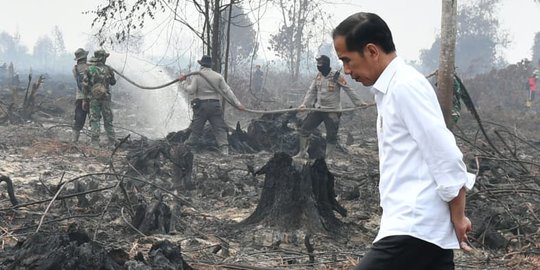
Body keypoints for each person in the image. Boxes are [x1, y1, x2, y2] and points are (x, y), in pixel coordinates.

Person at [332, 12, 476, 270]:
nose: (347, 70)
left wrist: (458, 215)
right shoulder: (389, 90)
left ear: (372, 51)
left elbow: (445, 154)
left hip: (414, 227)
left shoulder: (405, 87)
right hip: (417, 230)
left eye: (347, 60)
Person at [294, 55, 365, 160]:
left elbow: (348, 89)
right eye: (317, 64)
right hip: (318, 109)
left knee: (331, 135)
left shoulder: (336, 76)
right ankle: (302, 153)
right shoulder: (318, 76)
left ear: (326, 65)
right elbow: (311, 91)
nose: (319, 66)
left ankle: (329, 158)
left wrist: (359, 103)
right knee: (304, 129)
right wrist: (304, 104)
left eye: (321, 64)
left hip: (332, 111)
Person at [178, 55, 245, 155]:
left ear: (201, 65)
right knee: (219, 128)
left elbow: (191, 90)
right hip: (215, 106)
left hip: (201, 107)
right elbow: (227, 91)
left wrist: (183, 82)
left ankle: (188, 148)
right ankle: (224, 149)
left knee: (196, 129)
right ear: (210, 65)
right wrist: (238, 104)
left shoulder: (197, 76)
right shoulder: (218, 76)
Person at [83, 49, 117, 147]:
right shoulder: (109, 69)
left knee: (94, 120)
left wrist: (85, 100)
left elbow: (85, 86)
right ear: (102, 58)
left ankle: (95, 143)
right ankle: (112, 143)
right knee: (108, 120)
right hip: (105, 98)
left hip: (93, 99)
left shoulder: (89, 69)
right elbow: (113, 82)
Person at [71, 48, 89, 142]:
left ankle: (74, 140)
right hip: (91, 97)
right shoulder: (89, 67)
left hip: (79, 97)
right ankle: (94, 141)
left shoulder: (74, 69)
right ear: (85, 57)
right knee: (93, 120)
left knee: (79, 118)